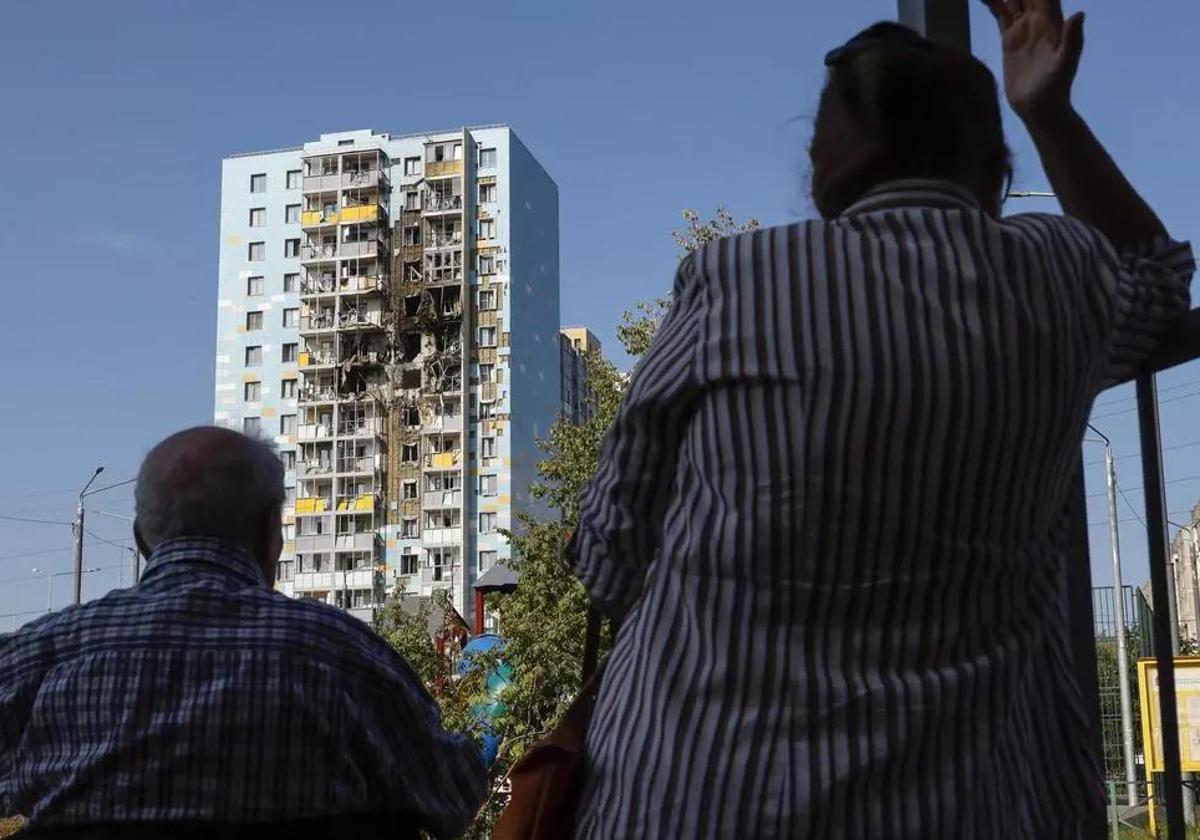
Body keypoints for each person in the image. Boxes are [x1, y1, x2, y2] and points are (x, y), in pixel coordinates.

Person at [569, 4, 1193, 839]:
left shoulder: (737, 277)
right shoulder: (1062, 271)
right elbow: (1158, 277)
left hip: (701, 791)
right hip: (983, 802)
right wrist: (1049, 109)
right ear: (993, 163)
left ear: (844, 153)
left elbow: (608, 552)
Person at [0, 427, 485, 839]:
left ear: (140, 538)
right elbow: (454, 798)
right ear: (271, 531)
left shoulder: (37, 659)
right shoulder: (347, 659)